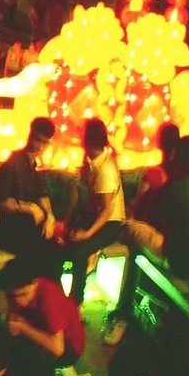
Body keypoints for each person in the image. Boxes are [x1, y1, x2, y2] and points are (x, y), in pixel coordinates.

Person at [108, 135, 189, 346]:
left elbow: (155, 217)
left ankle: (122, 313)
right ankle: (129, 306)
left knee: (132, 233)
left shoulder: (178, 187)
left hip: (180, 264)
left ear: (177, 159)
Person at [0, 254, 86, 376]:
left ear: (35, 283)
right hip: (40, 328)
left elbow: (58, 348)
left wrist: (23, 328)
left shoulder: (49, 297)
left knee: (42, 354)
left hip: (68, 345)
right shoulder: (14, 291)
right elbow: (12, 316)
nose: (19, 300)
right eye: (14, 295)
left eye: (23, 295)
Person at [62, 119, 127, 304]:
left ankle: (75, 302)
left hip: (111, 223)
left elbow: (107, 211)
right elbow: (80, 196)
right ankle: (58, 293)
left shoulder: (106, 169)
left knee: (80, 251)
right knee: (63, 241)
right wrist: (68, 221)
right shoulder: (90, 163)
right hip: (93, 216)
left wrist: (87, 234)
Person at [0, 117, 58, 272]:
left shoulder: (33, 165)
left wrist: (50, 217)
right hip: (10, 229)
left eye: (45, 142)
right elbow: (1, 202)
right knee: (43, 255)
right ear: (30, 136)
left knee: (56, 250)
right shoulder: (12, 164)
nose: (41, 146)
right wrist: (29, 208)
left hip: (28, 227)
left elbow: (42, 193)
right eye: (38, 140)